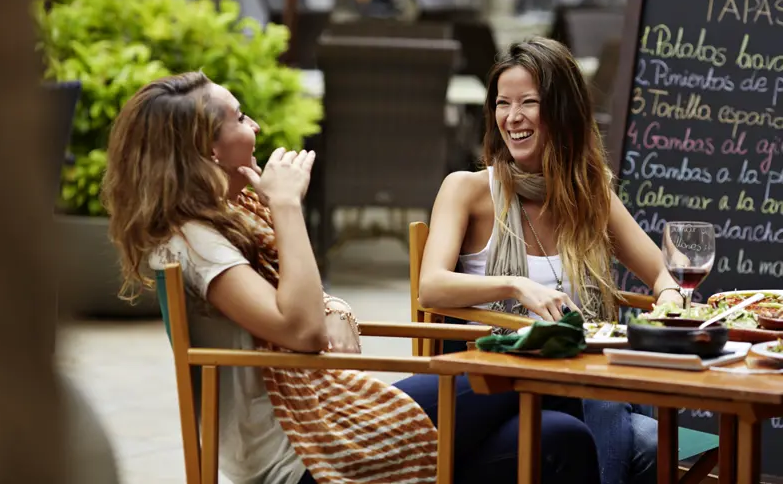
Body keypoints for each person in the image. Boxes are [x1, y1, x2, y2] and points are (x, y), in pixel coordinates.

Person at [101, 71, 602, 484]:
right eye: (239, 118)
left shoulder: (227, 219)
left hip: (329, 420)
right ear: (207, 150)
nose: (254, 126)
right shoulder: (192, 240)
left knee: (558, 438)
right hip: (300, 459)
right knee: (533, 365)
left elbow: (306, 306)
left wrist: (335, 307)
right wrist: (285, 206)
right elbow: (300, 328)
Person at [418, 38, 686, 484]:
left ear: (562, 111)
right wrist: (514, 286)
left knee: (653, 440)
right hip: (503, 390)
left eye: (528, 103)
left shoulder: (591, 195)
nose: (512, 117)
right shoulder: (467, 189)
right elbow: (432, 287)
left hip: (584, 387)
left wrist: (672, 296)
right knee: (639, 435)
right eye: (503, 103)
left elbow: (661, 271)